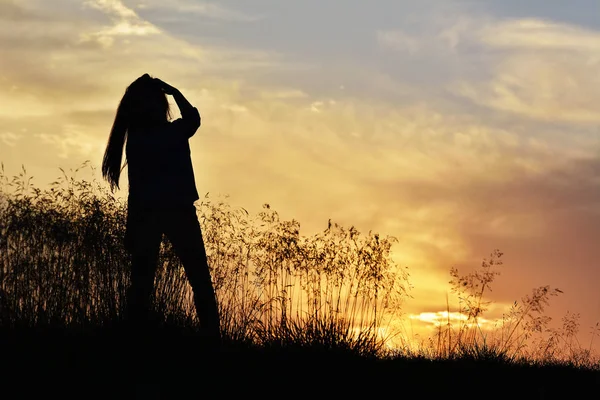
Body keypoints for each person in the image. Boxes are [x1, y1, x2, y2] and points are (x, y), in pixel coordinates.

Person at [101, 73, 221, 345]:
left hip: (150, 214)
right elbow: (193, 120)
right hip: (175, 212)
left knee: (143, 284)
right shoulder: (168, 134)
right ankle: (212, 340)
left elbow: (136, 189)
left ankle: (136, 340)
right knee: (198, 280)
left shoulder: (138, 138)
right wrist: (176, 91)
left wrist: (132, 227)